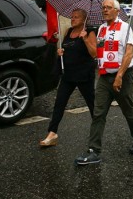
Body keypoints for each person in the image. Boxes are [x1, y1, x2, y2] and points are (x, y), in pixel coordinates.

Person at [75, 0, 133, 165]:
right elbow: (95, 54)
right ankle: (94, 151)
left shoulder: (124, 27)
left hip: (122, 75)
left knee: (127, 109)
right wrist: (86, 39)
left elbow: (129, 53)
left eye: (108, 7)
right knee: (98, 113)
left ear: (117, 10)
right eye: (103, 7)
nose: (105, 10)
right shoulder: (101, 29)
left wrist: (120, 76)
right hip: (104, 77)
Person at [39, 8, 96, 147]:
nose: (73, 19)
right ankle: (52, 133)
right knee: (59, 103)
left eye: (76, 17)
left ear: (83, 19)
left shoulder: (89, 32)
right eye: (72, 16)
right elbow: (66, 48)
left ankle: (97, 131)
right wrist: (61, 52)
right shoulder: (69, 32)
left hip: (83, 75)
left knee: (92, 104)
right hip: (68, 75)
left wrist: (85, 39)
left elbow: (94, 53)